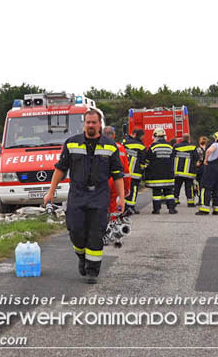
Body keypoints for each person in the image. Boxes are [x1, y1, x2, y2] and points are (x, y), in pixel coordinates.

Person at [44, 109, 125, 284]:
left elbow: (118, 175)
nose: (90, 125)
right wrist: (51, 192)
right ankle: (82, 257)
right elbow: (60, 169)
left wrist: (122, 198)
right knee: (76, 231)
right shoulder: (71, 144)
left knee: (96, 233)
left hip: (100, 195)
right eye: (88, 122)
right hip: (77, 194)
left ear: (100, 125)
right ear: (84, 124)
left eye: (93, 122)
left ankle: (92, 271)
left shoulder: (110, 146)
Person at [144, 128, 177, 214]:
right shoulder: (170, 146)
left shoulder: (153, 146)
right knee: (169, 192)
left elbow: (148, 159)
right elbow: (173, 159)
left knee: (156, 193)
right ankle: (171, 209)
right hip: (168, 174)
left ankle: (156, 210)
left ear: (155, 136)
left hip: (156, 174)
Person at [103, 126, 131, 219]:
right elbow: (126, 171)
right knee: (114, 205)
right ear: (114, 136)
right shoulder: (120, 148)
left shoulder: (97, 146)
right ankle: (112, 225)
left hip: (101, 180)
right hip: (116, 181)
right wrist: (126, 188)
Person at [123, 129, 146, 215]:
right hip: (135, 173)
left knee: (125, 189)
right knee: (134, 190)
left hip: (124, 172)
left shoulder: (125, 143)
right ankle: (131, 207)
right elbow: (143, 161)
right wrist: (143, 170)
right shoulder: (141, 146)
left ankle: (124, 206)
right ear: (140, 136)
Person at [173, 135, 199, 207]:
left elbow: (172, 156)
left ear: (182, 139)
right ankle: (190, 202)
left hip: (178, 171)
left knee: (177, 186)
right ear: (189, 139)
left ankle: (175, 201)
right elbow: (196, 157)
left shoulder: (176, 146)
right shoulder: (192, 147)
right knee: (189, 187)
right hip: (189, 172)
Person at [195, 136, 209, 205]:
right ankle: (207, 200)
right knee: (206, 185)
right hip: (207, 169)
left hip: (200, 169)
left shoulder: (198, 150)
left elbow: (198, 161)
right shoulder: (209, 149)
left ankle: (200, 200)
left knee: (200, 185)